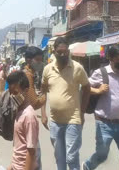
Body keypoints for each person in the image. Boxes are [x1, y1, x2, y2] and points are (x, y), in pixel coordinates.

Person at [41, 37, 90, 170]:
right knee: (59, 157)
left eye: (65, 51)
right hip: (55, 121)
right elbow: (43, 90)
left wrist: (82, 112)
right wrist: (43, 113)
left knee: (71, 157)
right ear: (54, 51)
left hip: (73, 120)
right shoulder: (47, 69)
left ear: (68, 51)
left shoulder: (77, 68)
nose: (62, 54)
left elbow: (87, 87)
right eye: (59, 52)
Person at [83, 44, 119, 170]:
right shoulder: (101, 73)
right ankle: (88, 166)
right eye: (118, 59)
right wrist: (98, 90)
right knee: (102, 155)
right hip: (104, 123)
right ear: (110, 58)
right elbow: (85, 88)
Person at [7, 71, 39, 170]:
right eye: (10, 93)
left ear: (26, 90)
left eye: (15, 93)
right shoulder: (19, 111)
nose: (12, 96)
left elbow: (31, 150)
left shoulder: (29, 116)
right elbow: (19, 146)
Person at [23, 46, 47, 170]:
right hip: (28, 120)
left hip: (22, 120)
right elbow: (33, 102)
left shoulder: (25, 73)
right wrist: (44, 96)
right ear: (28, 60)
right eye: (37, 60)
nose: (40, 63)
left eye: (41, 60)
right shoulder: (28, 76)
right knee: (34, 157)